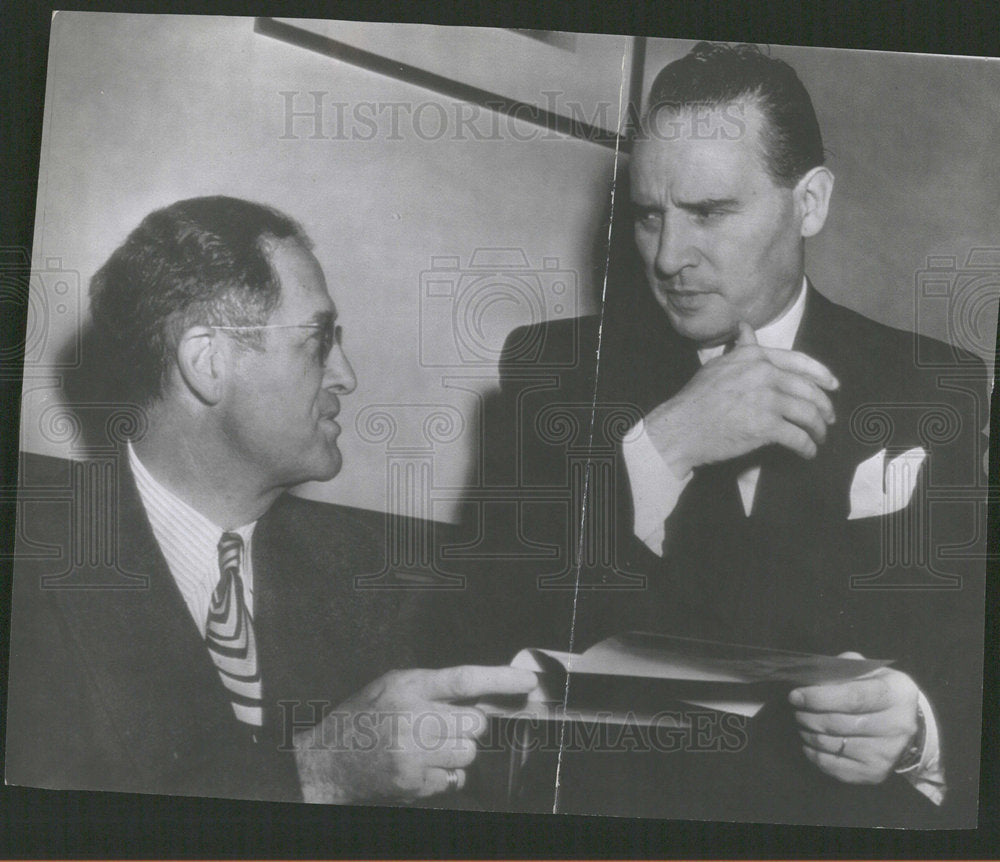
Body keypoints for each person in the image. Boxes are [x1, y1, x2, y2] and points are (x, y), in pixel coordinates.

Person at [477, 43, 989, 826]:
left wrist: (915, 723)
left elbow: (962, 639)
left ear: (810, 202)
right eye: (649, 216)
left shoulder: (933, 384)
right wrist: (661, 449)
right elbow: (486, 631)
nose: (670, 257)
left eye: (711, 212)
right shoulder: (554, 368)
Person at [5, 196, 536, 805]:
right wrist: (318, 773)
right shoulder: (31, 569)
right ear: (208, 363)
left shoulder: (365, 580)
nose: (346, 375)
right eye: (317, 341)